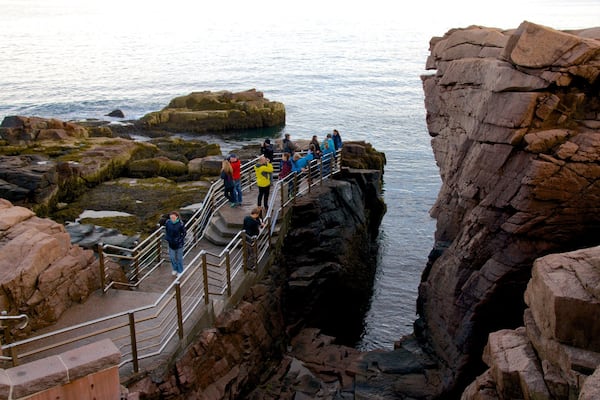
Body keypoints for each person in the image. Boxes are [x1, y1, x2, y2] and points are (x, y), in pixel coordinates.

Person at [164, 211, 186, 277]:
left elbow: (184, 233)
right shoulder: (168, 223)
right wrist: (167, 238)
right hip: (171, 243)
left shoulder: (180, 224)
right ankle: (175, 269)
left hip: (179, 244)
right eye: (171, 217)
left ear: (177, 217)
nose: (172, 219)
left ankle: (180, 271)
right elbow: (167, 231)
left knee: (179, 258)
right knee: (172, 258)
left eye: (173, 217)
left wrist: (180, 239)